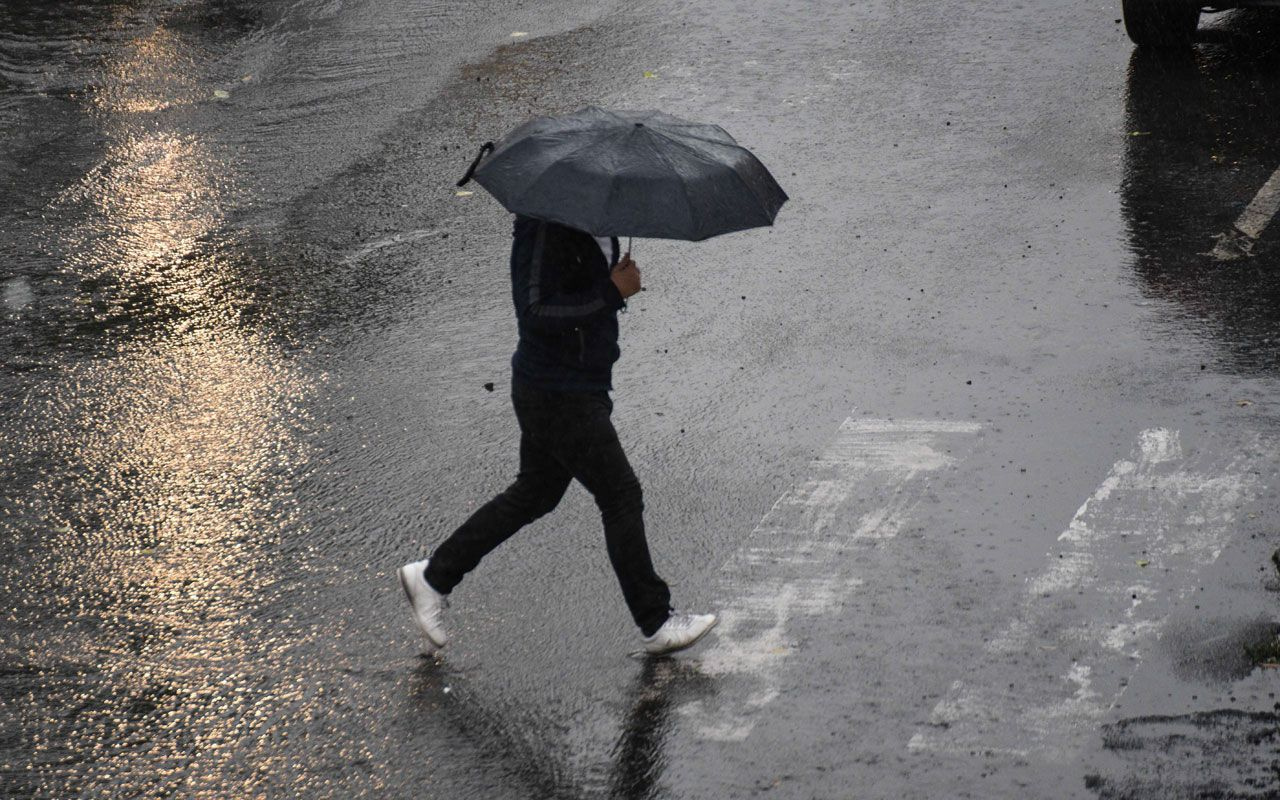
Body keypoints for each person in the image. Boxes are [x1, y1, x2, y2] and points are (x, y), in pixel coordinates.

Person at [399, 214, 717, 656]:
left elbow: (584, 298)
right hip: (555, 391)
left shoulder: (597, 217)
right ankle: (656, 621)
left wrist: (614, 287)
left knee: (536, 493)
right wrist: (611, 291)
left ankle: (434, 576)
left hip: (581, 383)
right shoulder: (544, 226)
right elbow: (534, 312)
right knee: (620, 494)